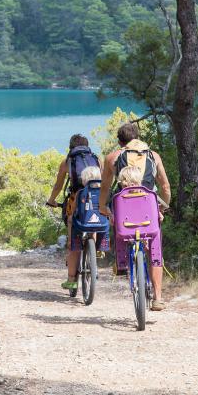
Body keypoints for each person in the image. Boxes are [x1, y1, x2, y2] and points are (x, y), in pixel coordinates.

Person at [99, 123, 171, 311]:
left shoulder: (112, 158)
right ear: (137, 137)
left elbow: (105, 187)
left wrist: (103, 208)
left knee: (118, 225)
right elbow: (165, 188)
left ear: (120, 141)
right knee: (154, 250)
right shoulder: (153, 156)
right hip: (149, 209)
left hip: (123, 210)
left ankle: (121, 263)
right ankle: (158, 298)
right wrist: (162, 209)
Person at [47, 134, 101, 290]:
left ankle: (71, 279)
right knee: (94, 218)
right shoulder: (97, 159)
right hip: (96, 200)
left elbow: (58, 186)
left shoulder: (67, 162)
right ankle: (94, 249)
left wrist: (51, 200)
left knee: (73, 241)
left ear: (71, 148)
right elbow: (104, 181)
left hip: (76, 200)